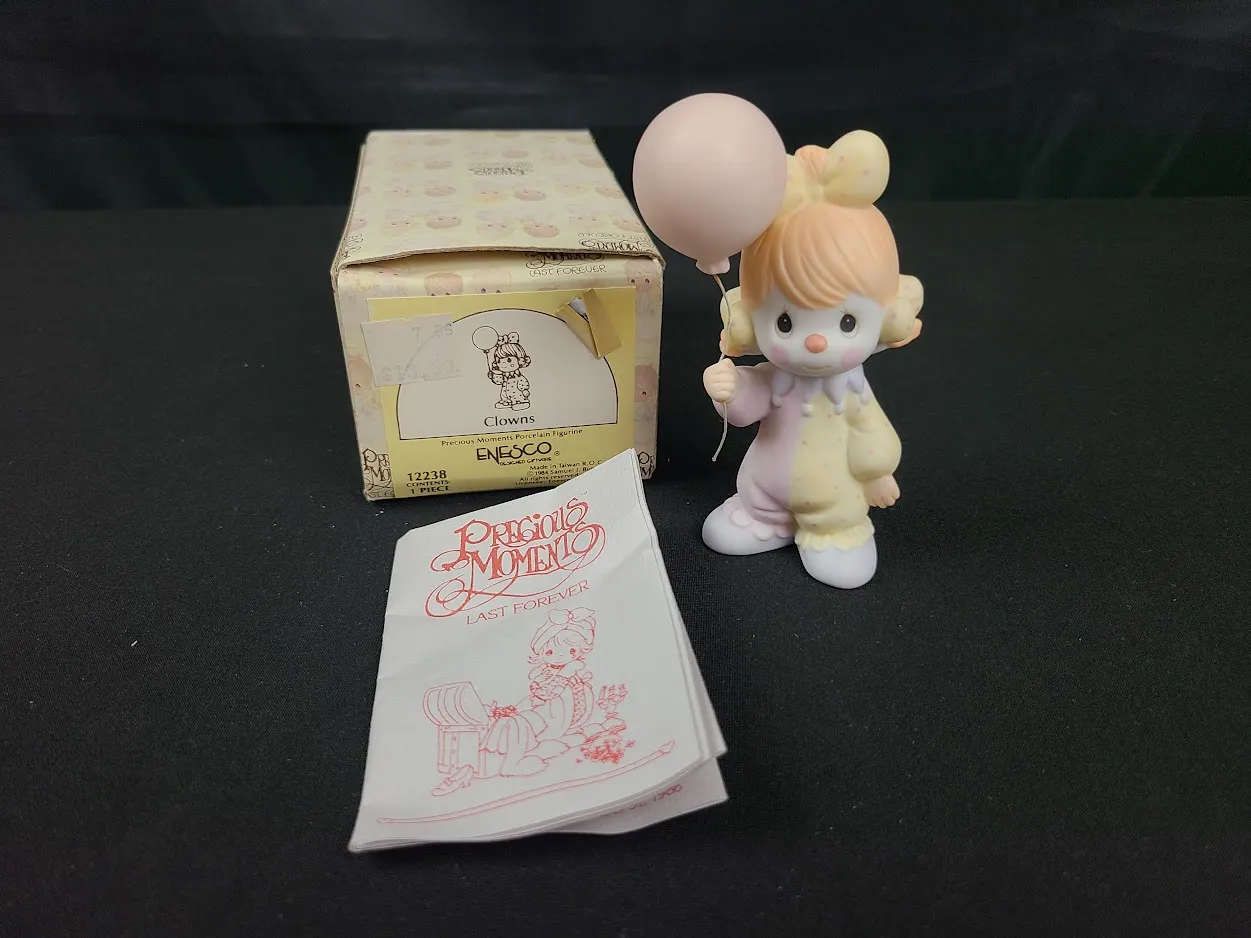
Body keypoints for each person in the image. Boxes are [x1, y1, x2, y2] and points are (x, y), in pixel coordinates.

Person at [701, 132, 924, 589]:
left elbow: (870, 430)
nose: (817, 343)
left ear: (885, 316)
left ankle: (833, 533)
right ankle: (764, 517)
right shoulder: (775, 377)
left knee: (836, 512)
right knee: (732, 521)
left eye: (847, 322)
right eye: (785, 322)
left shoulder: (851, 390)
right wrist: (729, 388)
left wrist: (877, 473)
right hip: (763, 489)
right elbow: (744, 410)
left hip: (833, 498)